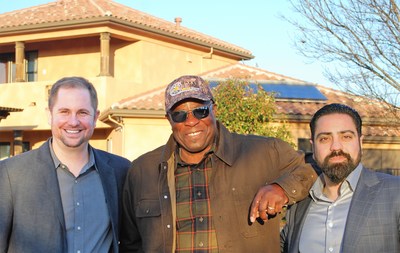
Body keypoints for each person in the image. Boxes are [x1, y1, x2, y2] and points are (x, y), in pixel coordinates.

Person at [120, 75, 316, 252]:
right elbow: (130, 245)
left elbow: (313, 168)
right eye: (180, 115)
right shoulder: (142, 172)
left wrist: (282, 188)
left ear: (214, 109)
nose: (191, 121)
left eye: (200, 111)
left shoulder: (264, 153)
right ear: (169, 120)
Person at [0, 77, 131, 253]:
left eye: (83, 112)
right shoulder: (11, 174)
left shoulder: (120, 171)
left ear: (95, 117)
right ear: (49, 115)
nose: (73, 121)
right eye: (64, 111)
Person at [281, 103, 400, 253]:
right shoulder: (298, 206)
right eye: (324, 139)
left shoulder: (395, 193)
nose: (336, 147)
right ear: (313, 146)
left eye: (346, 137)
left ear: (360, 141)